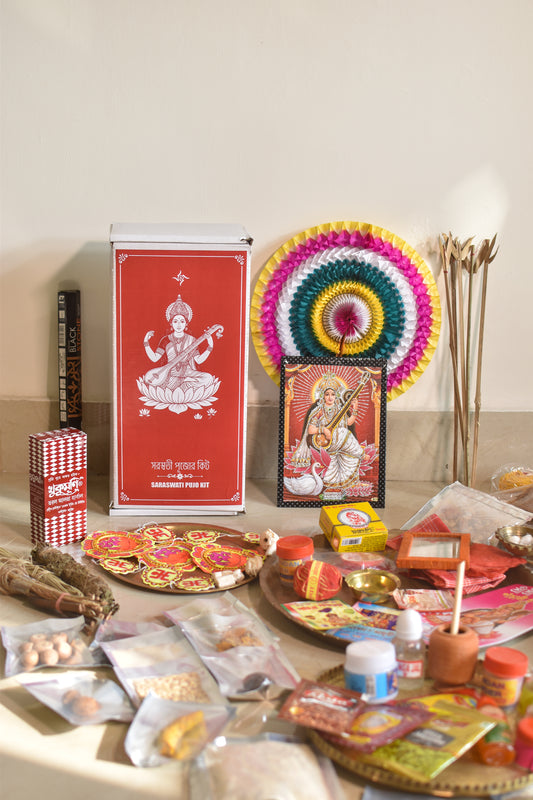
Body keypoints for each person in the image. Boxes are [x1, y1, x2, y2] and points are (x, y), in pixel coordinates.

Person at [290, 373, 364, 492]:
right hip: (323, 441)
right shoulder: (319, 410)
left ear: (336, 396)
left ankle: (333, 485)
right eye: (327, 394)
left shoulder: (338, 409)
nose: (330, 397)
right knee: (344, 432)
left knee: (340, 459)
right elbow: (310, 429)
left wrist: (355, 408)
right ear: (323, 396)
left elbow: (349, 422)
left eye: (333, 394)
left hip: (336, 442)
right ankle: (361, 453)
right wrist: (324, 430)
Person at [142, 295, 215, 392]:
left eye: (182, 321)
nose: (179, 325)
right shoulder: (166, 340)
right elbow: (154, 358)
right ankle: (184, 387)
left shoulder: (192, 340)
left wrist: (210, 346)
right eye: (175, 321)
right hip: (169, 373)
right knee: (150, 382)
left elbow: (198, 360)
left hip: (188, 373)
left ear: (186, 324)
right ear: (171, 324)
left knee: (208, 378)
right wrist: (146, 343)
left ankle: (184, 383)